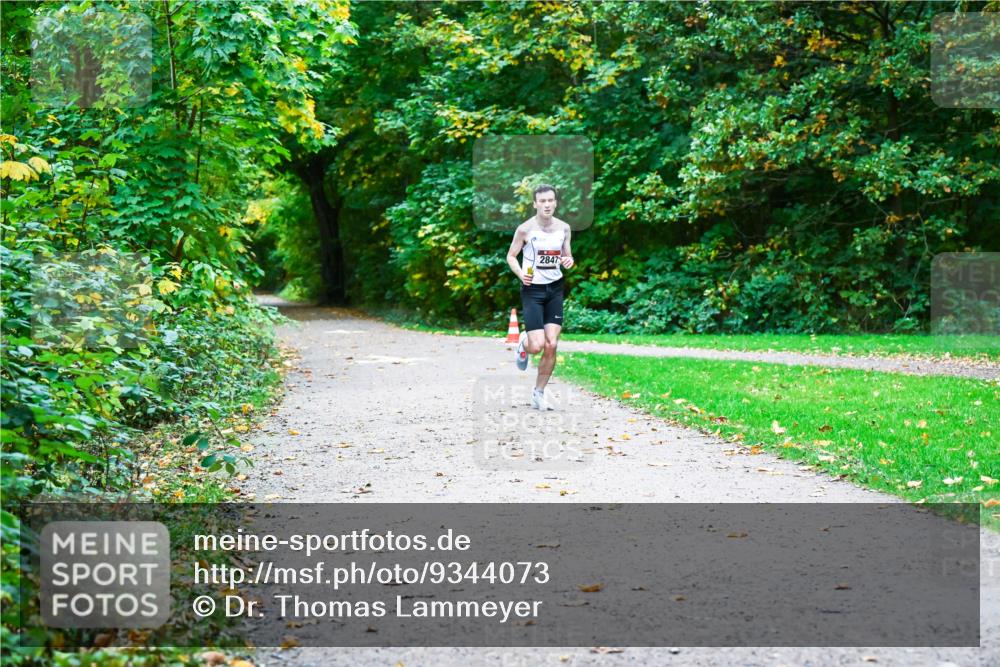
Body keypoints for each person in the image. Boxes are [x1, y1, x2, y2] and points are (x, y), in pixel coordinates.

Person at [505, 184, 574, 410]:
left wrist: (568, 261)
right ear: (535, 204)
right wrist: (521, 273)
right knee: (537, 346)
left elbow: (567, 256)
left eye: (550, 200)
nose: (546, 204)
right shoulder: (525, 229)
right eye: (542, 201)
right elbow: (511, 257)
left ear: (555, 203)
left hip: (554, 288)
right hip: (533, 289)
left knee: (552, 343)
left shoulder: (564, 228)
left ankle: (539, 392)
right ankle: (524, 344)